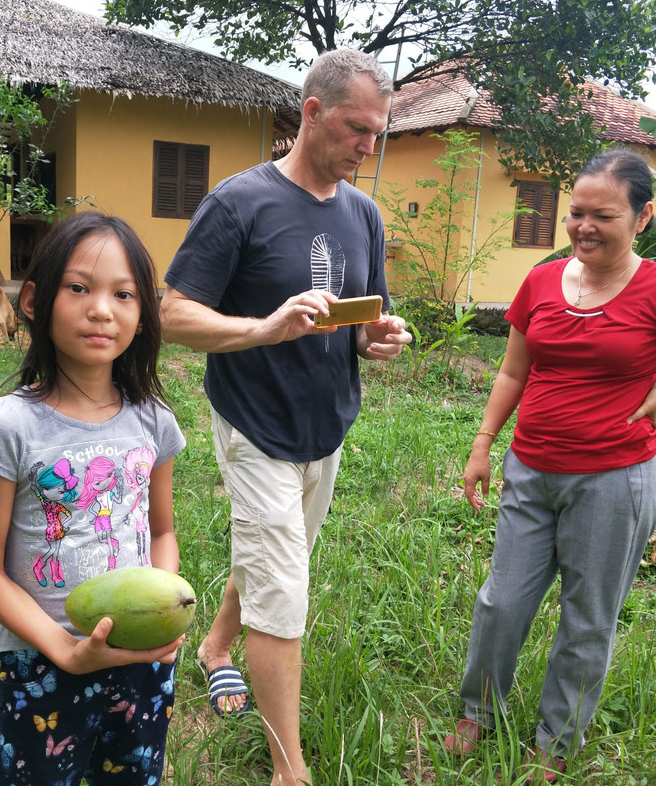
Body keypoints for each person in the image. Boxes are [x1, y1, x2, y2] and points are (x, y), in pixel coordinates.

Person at [445, 150, 656, 783]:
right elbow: (515, 368)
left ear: (644, 215)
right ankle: (477, 712)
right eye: (575, 213)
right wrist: (484, 443)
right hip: (530, 470)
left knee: (587, 615)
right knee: (500, 602)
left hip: (613, 479)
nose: (584, 227)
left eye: (603, 214)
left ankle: (555, 740)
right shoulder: (542, 281)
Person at [160, 48, 412, 786]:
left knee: (280, 558)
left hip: (326, 422)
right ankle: (289, 770)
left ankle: (213, 648)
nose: (368, 148)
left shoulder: (364, 214)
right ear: (310, 112)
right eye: (356, 129)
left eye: (377, 134)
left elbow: (369, 319)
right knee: (284, 595)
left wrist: (378, 339)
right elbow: (173, 314)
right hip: (255, 422)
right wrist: (263, 328)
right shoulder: (240, 202)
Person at [0, 211, 188, 786]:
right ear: (35, 300)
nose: (101, 310)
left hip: (140, 660)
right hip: (42, 661)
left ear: (143, 315)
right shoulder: (8, 424)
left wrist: (162, 617)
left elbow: (161, 532)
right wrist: (64, 649)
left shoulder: (154, 420)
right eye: (79, 288)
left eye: (124, 294)